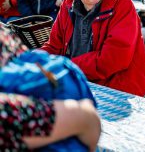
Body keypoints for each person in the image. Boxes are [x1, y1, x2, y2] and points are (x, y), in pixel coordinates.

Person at [41, 0, 145, 96]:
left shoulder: (121, 3)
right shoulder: (68, 4)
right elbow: (54, 45)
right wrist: (35, 60)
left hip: (116, 91)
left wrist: (67, 66)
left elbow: (113, 59)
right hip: (78, 83)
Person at [0, 23, 101, 151]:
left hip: (105, 85)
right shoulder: (68, 7)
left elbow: (113, 57)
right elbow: (54, 45)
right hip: (70, 97)